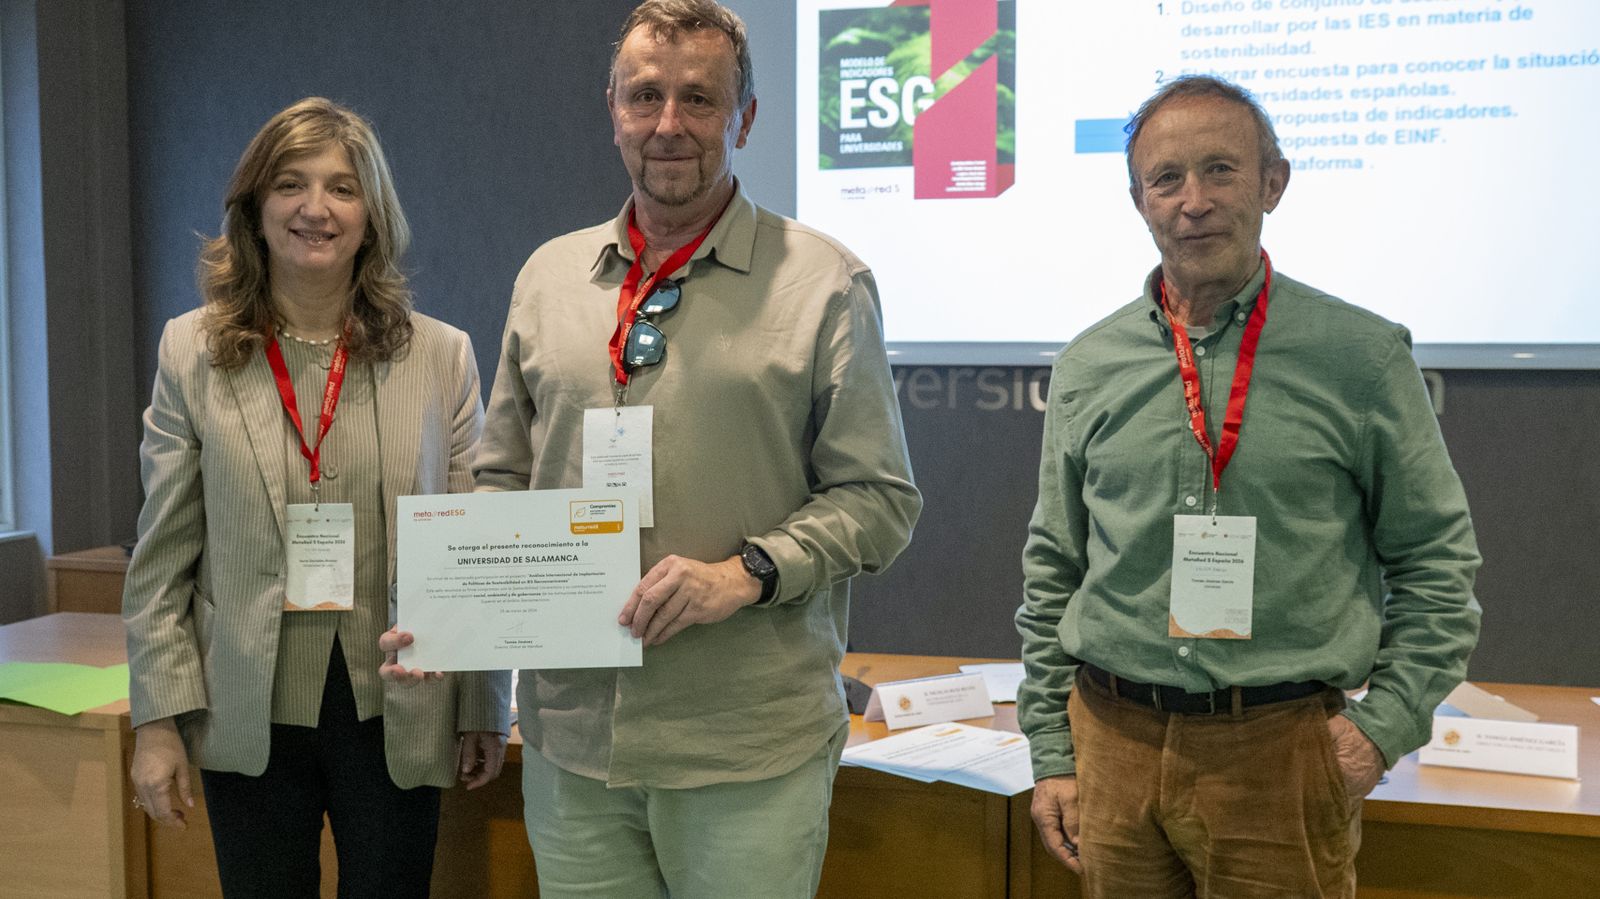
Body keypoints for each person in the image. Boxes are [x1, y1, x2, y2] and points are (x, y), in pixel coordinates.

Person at [382, 2, 920, 895]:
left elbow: (881, 500)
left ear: (744, 117)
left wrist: (745, 570)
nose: (669, 124)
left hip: (745, 747)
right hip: (574, 741)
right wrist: (453, 607)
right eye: (646, 96)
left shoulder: (824, 282)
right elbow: (503, 475)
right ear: (613, 108)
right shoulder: (548, 278)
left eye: (699, 99)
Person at [1015, 75, 1481, 899]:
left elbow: (1438, 565)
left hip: (1279, 754)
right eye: (1167, 179)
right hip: (1111, 746)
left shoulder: (1362, 357)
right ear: (1139, 201)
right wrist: (1054, 751)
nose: (1194, 200)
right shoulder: (1089, 366)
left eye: (1221, 170)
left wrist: (1380, 729)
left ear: (1273, 182)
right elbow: (1056, 566)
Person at [123, 97, 511, 898]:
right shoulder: (190, 353)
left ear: (372, 214)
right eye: (290, 184)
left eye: (342, 187)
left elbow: (475, 543)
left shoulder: (442, 356)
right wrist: (156, 720)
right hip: (247, 708)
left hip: (399, 709)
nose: (315, 208)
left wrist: (484, 700)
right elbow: (161, 559)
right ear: (255, 208)